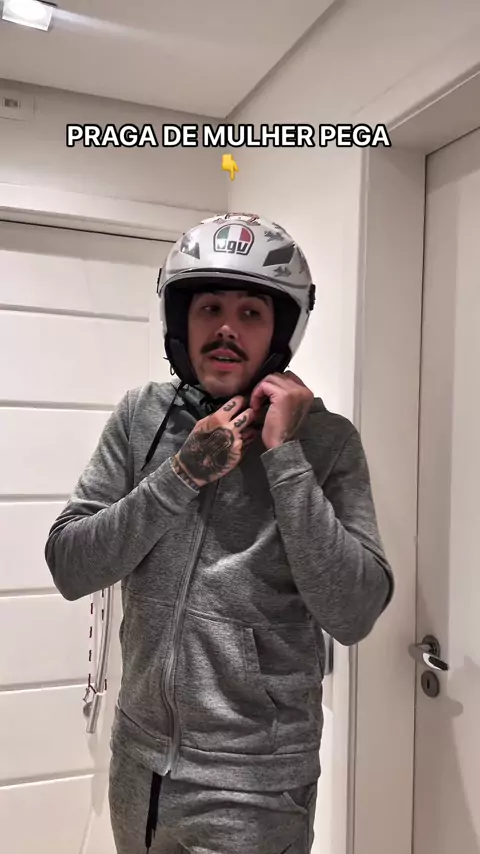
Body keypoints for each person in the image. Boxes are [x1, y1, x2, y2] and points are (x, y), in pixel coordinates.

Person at [45, 212, 393, 854]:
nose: (227, 328)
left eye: (250, 312)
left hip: (255, 789)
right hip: (139, 766)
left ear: (280, 331)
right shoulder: (140, 418)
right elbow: (71, 566)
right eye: (209, 307)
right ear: (182, 321)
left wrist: (285, 456)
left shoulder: (328, 442)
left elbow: (354, 612)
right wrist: (181, 474)